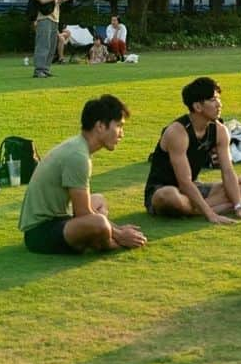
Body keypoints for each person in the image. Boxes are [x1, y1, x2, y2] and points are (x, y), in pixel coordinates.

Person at [17, 95, 147, 254]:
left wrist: (116, 228)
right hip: (41, 233)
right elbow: (83, 213)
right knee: (99, 224)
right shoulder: (78, 156)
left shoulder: (78, 146)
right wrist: (120, 234)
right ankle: (110, 244)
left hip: (59, 219)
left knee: (98, 201)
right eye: (119, 126)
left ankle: (102, 238)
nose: (121, 134)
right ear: (100, 126)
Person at [144, 76, 241, 223]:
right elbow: (184, 182)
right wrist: (211, 215)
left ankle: (194, 210)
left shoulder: (220, 130)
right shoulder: (177, 132)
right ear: (198, 107)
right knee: (169, 196)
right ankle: (208, 209)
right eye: (212, 100)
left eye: (218, 98)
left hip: (194, 188)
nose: (219, 104)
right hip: (163, 190)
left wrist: (239, 206)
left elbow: (228, 171)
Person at [31, 0, 70, 79]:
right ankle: (39, 70)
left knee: (52, 45)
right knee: (43, 45)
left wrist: (61, 0)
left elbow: (53, 2)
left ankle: (46, 69)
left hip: (54, 19)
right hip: (44, 18)